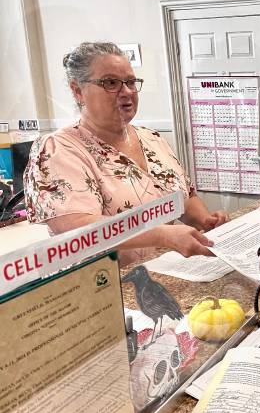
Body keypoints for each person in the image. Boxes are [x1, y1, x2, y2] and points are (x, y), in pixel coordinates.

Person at [24, 41, 229, 265]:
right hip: (107, 287)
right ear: (78, 91)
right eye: (111, 83)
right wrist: (163, 235)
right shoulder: (58, 150)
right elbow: (78, 229)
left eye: (131, 82)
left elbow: (184, 198)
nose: (127, 92)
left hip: (165, 273)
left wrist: (205, 220)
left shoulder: (152, 139)